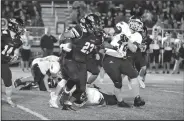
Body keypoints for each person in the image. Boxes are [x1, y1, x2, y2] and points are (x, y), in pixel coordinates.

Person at [49, 14, 103, 110]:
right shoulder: (79, 30)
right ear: (88, 24)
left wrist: (113, 47)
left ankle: (68, 102)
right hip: (70, 58)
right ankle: (62, 94)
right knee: (74, 77)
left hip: (82, 61)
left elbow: (101, 43)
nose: (96, 27)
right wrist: (64, 43)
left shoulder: (97, 35)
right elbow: (63, 36)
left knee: (81, 88)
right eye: (95, 25)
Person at [102, 16, 145, 108]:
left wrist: (127, 39)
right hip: (111, 56)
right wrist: (109, 32)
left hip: (122, 58)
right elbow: (111, 31)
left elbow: (133, 49)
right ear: (130, 21)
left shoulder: (138, 36)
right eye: (135, 22)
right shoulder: (123, 25)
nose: (136, 25)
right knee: (118, 82)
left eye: (138, 24)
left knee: (134, 75)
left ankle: (137, 99)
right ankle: (120, 101)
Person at [1, 18, 25, 107]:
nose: (21, 28)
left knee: (8, 80)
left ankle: (9, 99)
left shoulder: (19, 39)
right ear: (13, 26)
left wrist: (15, 55)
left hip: (3, 62)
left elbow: (17, 50)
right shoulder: (2, 34)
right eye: (19, 26)